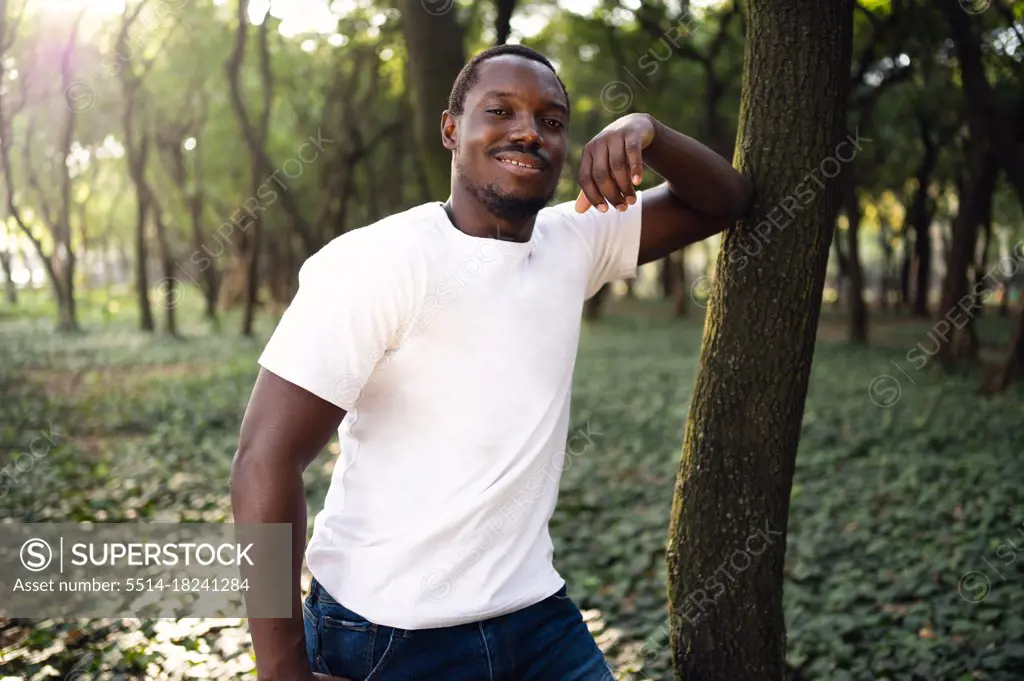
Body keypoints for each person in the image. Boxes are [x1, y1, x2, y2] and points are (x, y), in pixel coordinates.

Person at [231, 44, 752, 681]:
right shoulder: (378, 263)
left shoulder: (575, 239)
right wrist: (280, 670)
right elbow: (265, 457)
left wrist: (649, 132)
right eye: (500, 110)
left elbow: (723, 200)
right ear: (452, 129)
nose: (528, 131)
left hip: (536, 619)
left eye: (552, 121)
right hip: (389, 631)